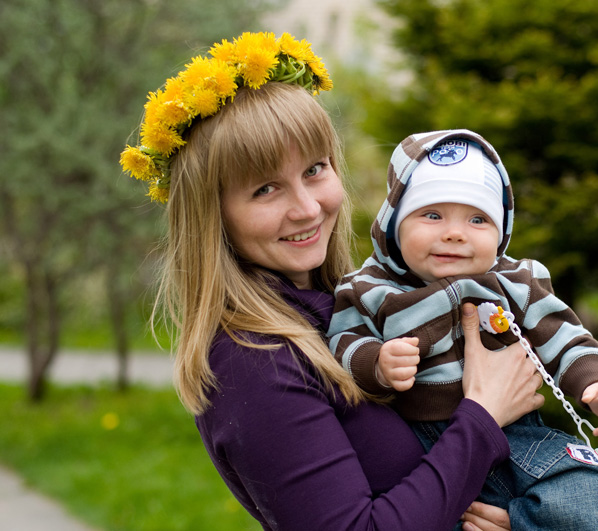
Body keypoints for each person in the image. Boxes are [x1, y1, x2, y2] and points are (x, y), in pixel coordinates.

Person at [120, 32, 545, 531]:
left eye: (315, 169)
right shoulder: (252, 360)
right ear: (213, 216)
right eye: (265, 189)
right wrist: (483, 414)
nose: (307, 208)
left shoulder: (350, 309)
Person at [328, 129, 598, 529]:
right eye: (432, 214)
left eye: (478, 219)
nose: (455, 233)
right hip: (424, 448)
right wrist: (377, 363)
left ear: (501, 232)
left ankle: (519, 522)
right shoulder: (370, 289)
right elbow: (343, 341)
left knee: (593, 501)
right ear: (393, 224)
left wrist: (593, 380)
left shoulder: (514, 282)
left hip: (516, 437)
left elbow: (561, 332)